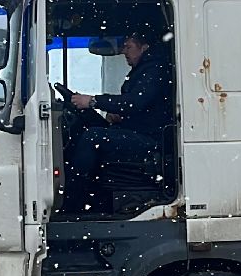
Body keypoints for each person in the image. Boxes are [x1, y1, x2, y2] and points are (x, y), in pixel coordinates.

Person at [57, 28, 175, 212]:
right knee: (91, 128)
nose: (124, 52)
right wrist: (120, 115)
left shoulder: (154, 69)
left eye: (128, 47)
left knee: (93, 137)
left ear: (144, 47)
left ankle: (74, 200)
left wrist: (93, 101)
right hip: (139, 130)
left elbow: (136, 101)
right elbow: (140, 106)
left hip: (150, 139)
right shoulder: (145, 69)